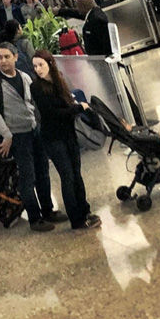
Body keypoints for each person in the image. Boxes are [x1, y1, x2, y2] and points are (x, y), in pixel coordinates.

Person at [0, 43, 67, 232]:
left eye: (6, 56)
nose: (3, 61)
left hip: (34, 131)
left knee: (43, 172)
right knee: (28, 177)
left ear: (15, 57)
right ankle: (34, 218)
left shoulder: (25, 77)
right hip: (17, 136)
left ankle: (48, 210)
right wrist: (7, 135)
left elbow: (33, 103)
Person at [30, 50, 100, 230]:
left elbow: (67, 102)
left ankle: (85, 211)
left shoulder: (59, 79)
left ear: (50, 64)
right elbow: (51, 113)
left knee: (76, 174)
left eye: (41, 65)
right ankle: (76, 219)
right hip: (52, 138)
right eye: (35, 66)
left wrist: (76, 107)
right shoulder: (36, 87)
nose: (38, 69)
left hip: (68, 134)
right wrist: (78, 109)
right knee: (67, 176)